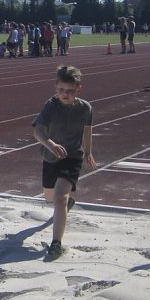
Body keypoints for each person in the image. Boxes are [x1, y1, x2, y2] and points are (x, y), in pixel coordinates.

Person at [32, 65, 97, 259]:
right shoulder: (51, 105)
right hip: (50, 156)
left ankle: (56, 244)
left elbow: (87, 129)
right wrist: (50, 144)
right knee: (51, 198)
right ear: (56, 88)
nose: (65, 94)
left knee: (60, 196)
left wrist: (88, 152)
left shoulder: (86, 108)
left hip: (72, 156)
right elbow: (37, 131)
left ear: (78, 90)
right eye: (61, 90)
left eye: (69, 91)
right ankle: (65, 205)